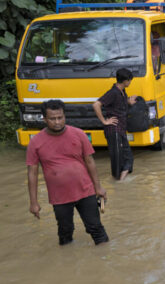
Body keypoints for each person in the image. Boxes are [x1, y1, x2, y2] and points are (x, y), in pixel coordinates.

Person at [27, 100, 109, 246]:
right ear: (44, 119)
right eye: (52, 119)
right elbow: (32, 173)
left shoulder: (78, 134)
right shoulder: (36, 142)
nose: (57, 122)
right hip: (60, 197)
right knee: (65, 232)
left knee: (96, 228)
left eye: (60, 117)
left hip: (86, 191)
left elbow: (90, 162)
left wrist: (98, 187)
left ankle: (105, 260)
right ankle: (67, 262)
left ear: (65, 116)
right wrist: (34, 202)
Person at [93, 68, 137, 181]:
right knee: (118, 160)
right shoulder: (113, 93)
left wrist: (128, 102)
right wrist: (104, 121)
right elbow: (96, 104)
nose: (130, 82)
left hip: (121, 129)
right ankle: (119, 182)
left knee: (128, 158)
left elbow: (119, 105)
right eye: (130, 80)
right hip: (114, 130)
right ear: (125, 81)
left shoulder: (122, 92)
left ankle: (120, 183)